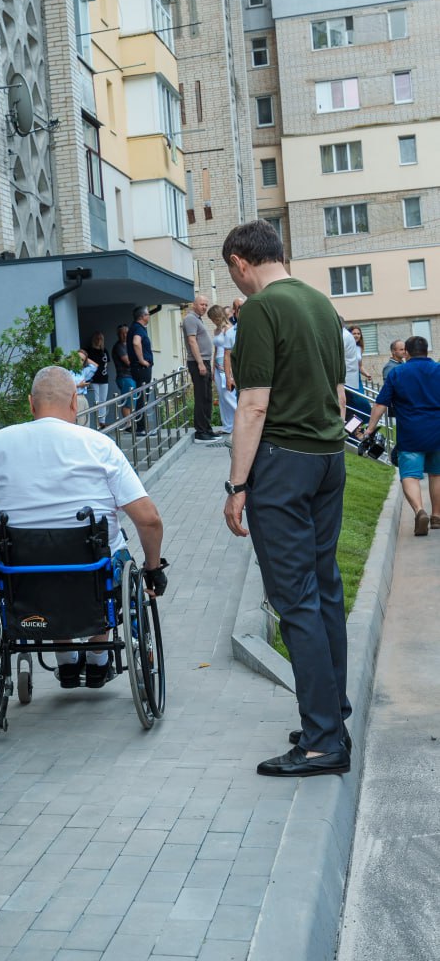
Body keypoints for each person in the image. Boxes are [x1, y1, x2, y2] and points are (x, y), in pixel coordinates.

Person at [0, 366, 166, 688]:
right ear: (76, 402)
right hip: (92, 573)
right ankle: (98, 661)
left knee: (47, 577)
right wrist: (153, 567)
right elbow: (148, 518)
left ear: (31, 404)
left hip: (23, 574)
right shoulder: (98, 445)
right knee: (106, 566)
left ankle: (66, 660)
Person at [222, 220, 350, 779]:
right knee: (324, 591)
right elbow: (340, 395)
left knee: (295, 600)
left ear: (239, 263)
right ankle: (331, 717)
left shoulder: (260, 311)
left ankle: (323, 743)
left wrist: (236, 486)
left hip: (284, 466)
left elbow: (253, 405)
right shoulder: (321, 304)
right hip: (330, 460)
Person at [359, 335, 440, 537]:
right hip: (437, 432)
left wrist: (369, 429)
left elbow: (380, 404)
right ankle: (437, 515)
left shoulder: (398, 373)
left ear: (408, 352)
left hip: (411, 433)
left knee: (410, 476)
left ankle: (419, 511)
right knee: (437, 474)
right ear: (427, 350)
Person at [182, 294, 217, 442]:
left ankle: (207, 429)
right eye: (202, 304)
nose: (204, 307)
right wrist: (200, 363)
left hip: (205, 361)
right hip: (199, 363)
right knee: (201, 397)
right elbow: (192, 341)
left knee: (207, 397)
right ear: (194, 304)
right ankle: (201, 432)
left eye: (206, 305)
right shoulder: (190, 319)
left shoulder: (197, 319)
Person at [207, 304, 237, 434]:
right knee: (222, 398)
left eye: (213, 318)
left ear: (218, 316)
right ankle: (228, 426)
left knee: (229, 395)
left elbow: (230, 350)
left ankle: (243, 423)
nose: (212, 321)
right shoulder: (216, 331)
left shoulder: (229, 329)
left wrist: (229, 370)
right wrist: (213, 369)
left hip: (226, 365)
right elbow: (216, 350)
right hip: (217, 367)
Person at [128, 305, 154, 422]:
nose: (149, 316)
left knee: (142, 396)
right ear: (143, 316)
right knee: (143, 396)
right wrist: (142, 360)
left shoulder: (136, 327)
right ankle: (141, 426)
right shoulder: (138, 328)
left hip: (139, 367)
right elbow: (136, 343)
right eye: (148, 314)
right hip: (141, 367)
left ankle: (141, 426)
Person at [111, 324, 135, 429]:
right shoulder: (119, 347)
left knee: (133, 401)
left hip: (131, 377)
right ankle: (128, 424)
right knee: (128, 401)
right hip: (125, 377)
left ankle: (132, 423)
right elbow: (129, 362)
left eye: (126, 333)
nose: (125, 335)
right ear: (118, 335)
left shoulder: (129, 345)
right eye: (122, 333)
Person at [86, 332, 110, 429]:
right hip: (93, 379)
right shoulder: (89, 351)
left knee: (103, 400)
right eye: (97, 338)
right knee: (95, 400)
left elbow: (106, 364)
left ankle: (102, 422)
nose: (99, 340)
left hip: (104, 378)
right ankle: (95, 421)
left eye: (101, 338)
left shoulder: (104, 351)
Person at [349, 326, 365, 391]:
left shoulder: (359, 348)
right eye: (354, 333)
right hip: (348, 376)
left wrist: (367, 374)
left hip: (357, 376)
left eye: (358, 334)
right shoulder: (346, 347)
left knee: (362, 399)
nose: (357, 336)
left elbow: (360, 366)